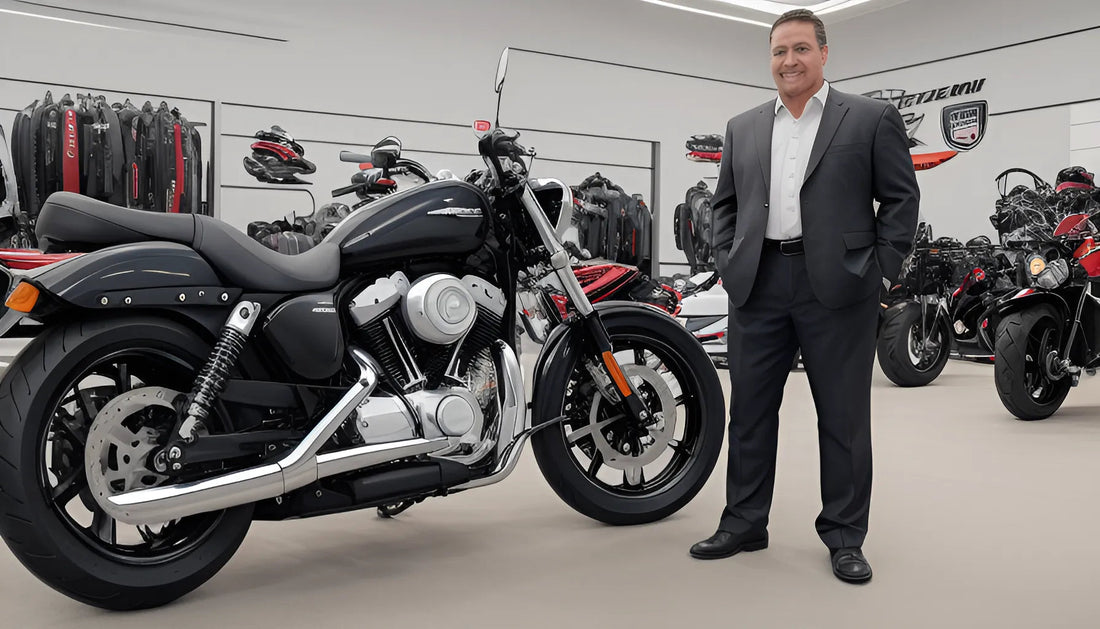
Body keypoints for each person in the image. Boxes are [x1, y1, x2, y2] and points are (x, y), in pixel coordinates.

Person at [688, 9, 919, 584]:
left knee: (842, 417)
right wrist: (729, 259)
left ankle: (844, 535)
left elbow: (900, 200)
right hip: (758, 286)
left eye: (799, 49)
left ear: (822, 53)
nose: (787, 61)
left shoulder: (868, 119)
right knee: (749, 414)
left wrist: (880, 273)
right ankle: (744, 522)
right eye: (777, 51)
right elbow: (725, 205)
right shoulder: (743, 127)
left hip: (839, 290)